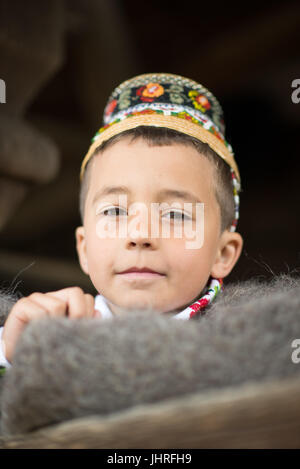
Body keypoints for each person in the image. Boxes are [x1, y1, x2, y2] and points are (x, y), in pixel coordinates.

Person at [0, 73, 243, 366]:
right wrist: (15, 356)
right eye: (114, 211)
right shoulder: (43, 332)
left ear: (223, 252)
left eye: (176, 214)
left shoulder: (248, 344)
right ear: (84, 247)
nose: (140, 235)